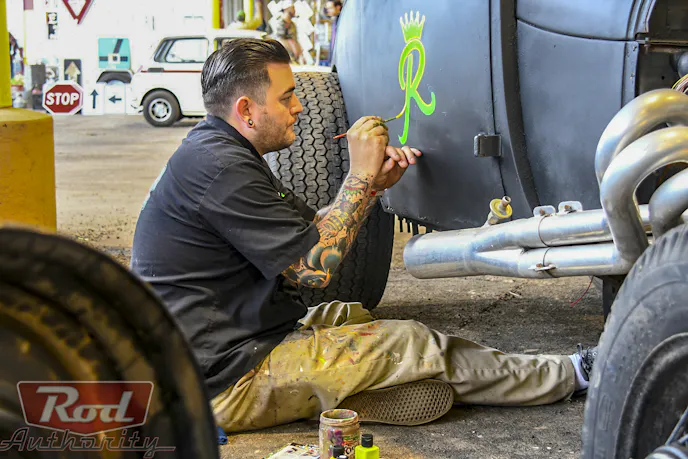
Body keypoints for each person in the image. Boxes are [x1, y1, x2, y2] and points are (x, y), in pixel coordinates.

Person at [130, 38, 598, 433]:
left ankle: (344, 391)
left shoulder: (219, 152)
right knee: (412, 343)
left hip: (227, 343)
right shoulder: (220, 168)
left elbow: (313, 230)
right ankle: (573, 372)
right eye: (287, 98)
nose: (298, 108)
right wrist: (358, 174)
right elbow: (313, 268)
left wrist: (370, 187)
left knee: (349, 315)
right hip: (220, 380)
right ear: (247, 110)